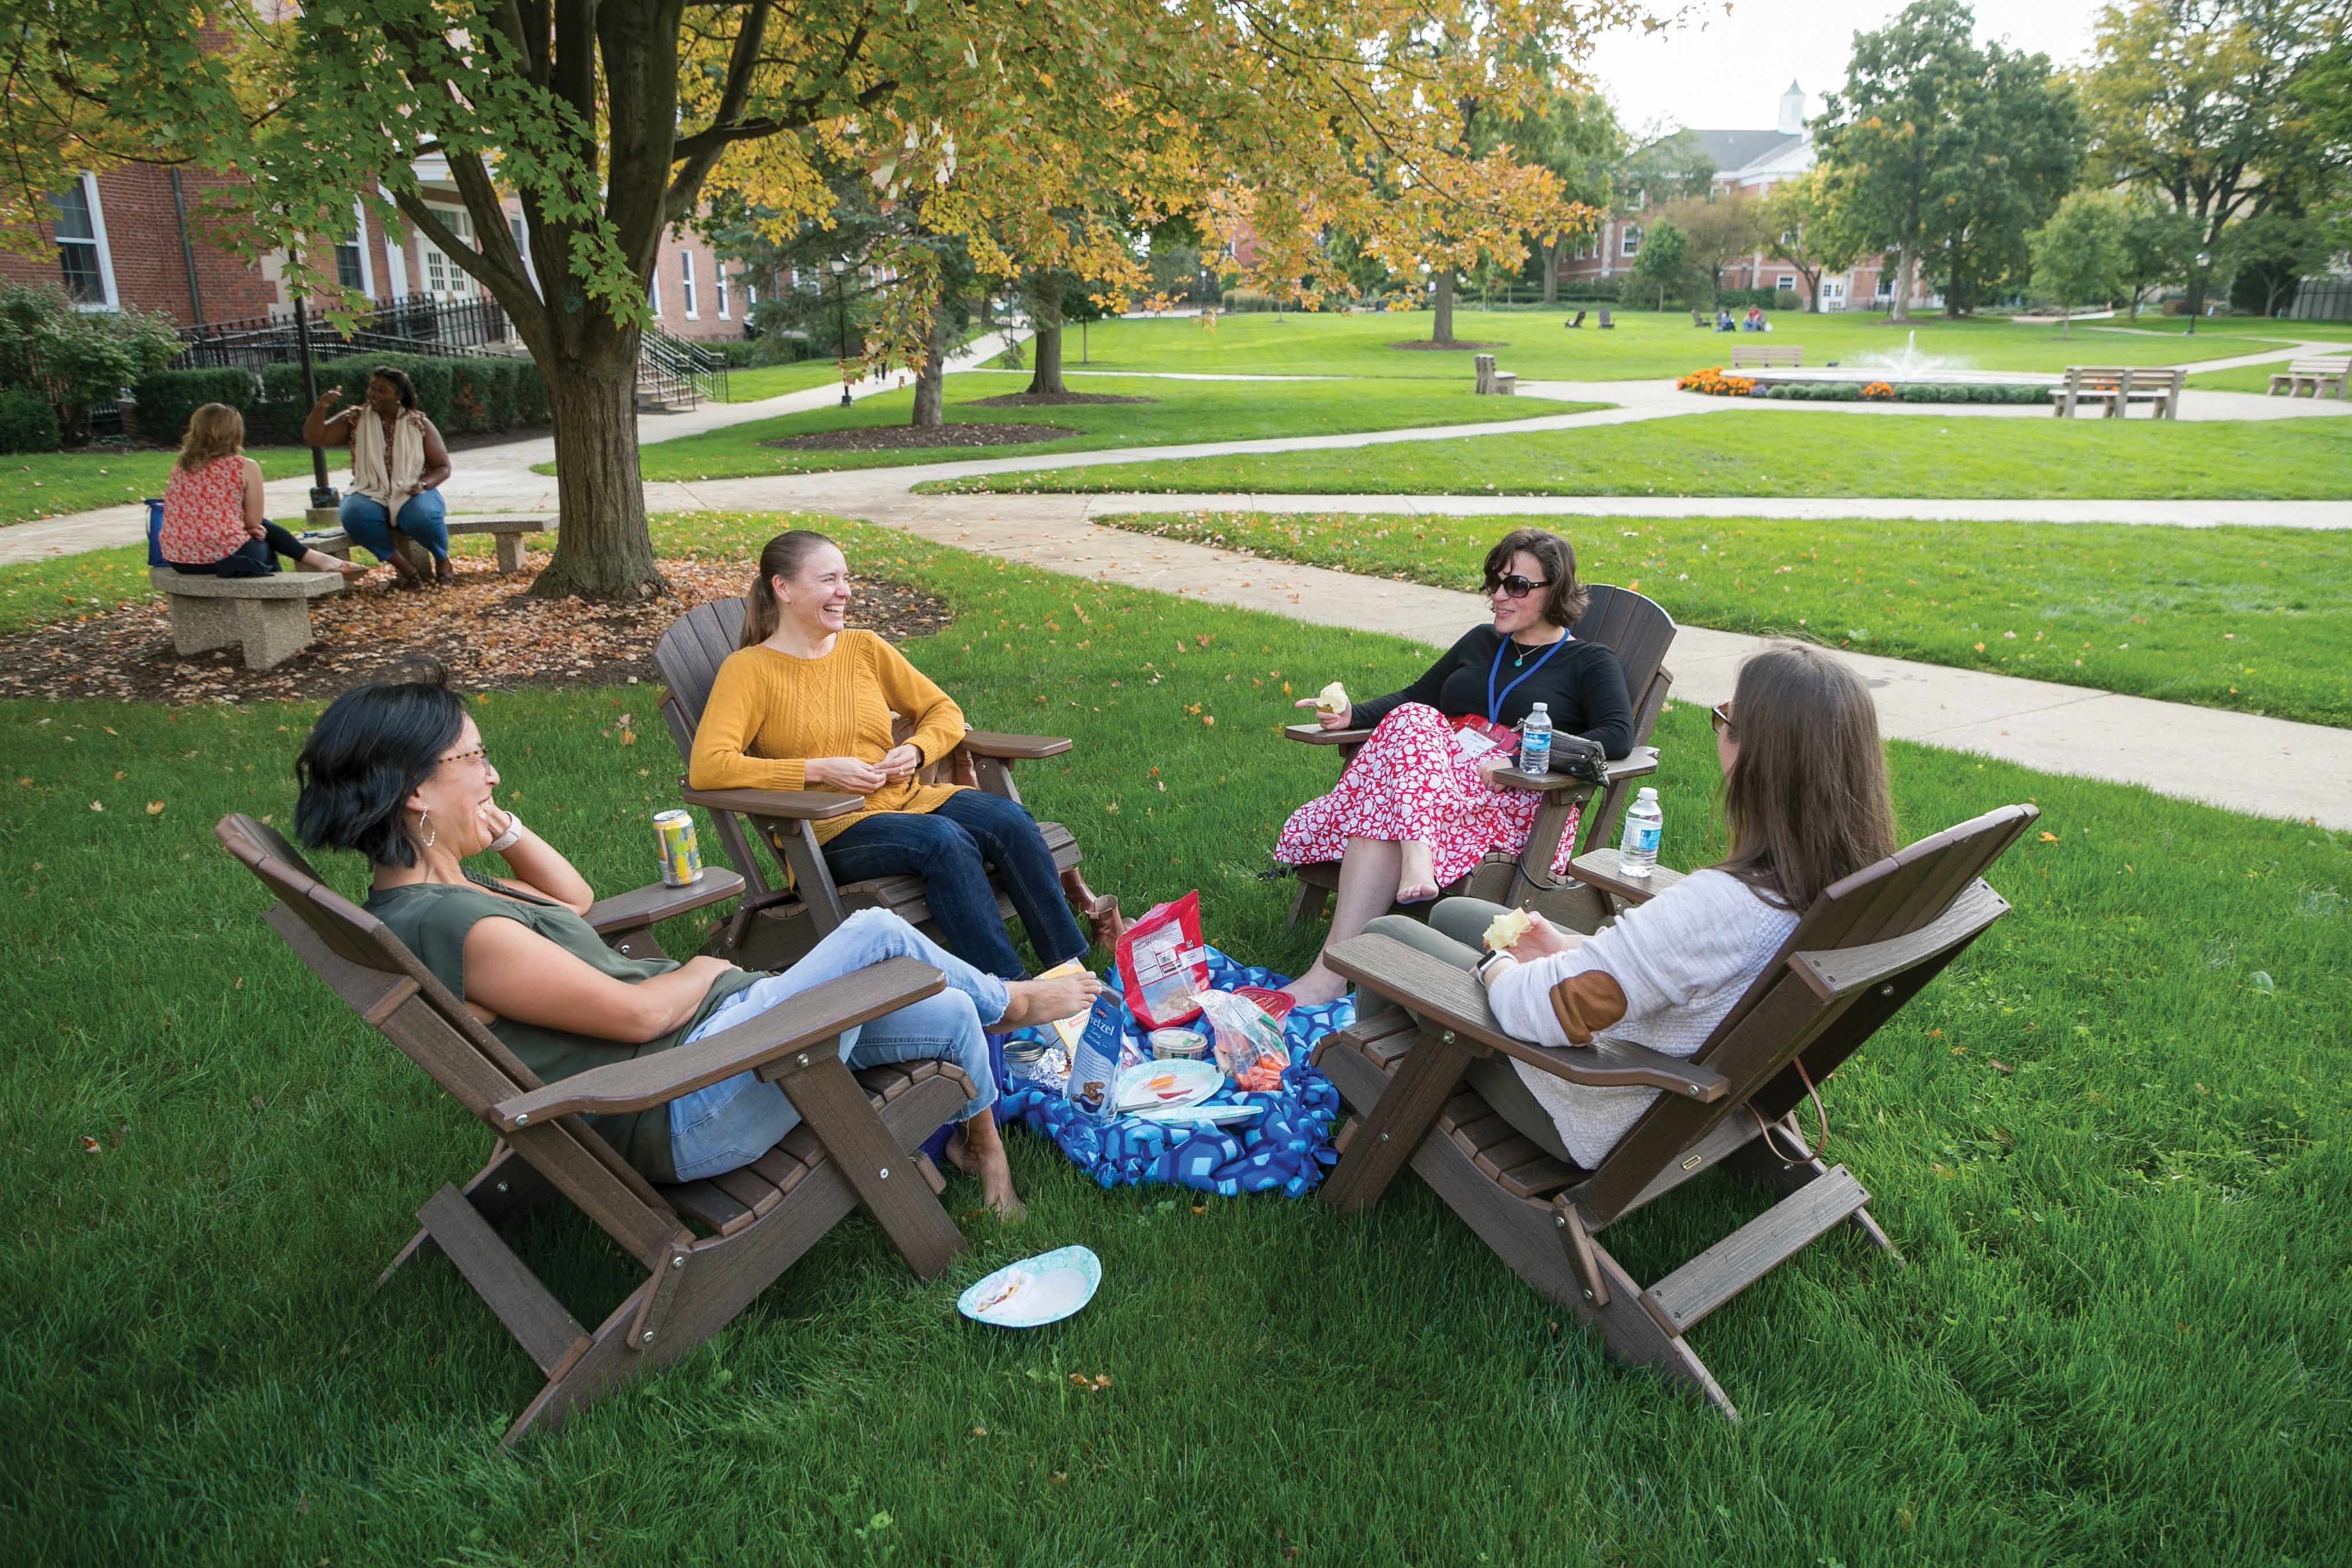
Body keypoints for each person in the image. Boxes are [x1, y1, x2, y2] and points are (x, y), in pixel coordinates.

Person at [293, 670, 1101, 1218]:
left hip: (706, 1054)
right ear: (412, 793)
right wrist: (712, 966)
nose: (494, 775)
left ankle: (981, 1149)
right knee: (875, 935)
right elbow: (638, 1016)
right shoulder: (451, 924)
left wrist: (502, 831)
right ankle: (1018, 1003)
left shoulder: (450, 896)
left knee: (946, 1003)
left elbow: (573, 902)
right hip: (686, 1100)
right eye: (473, 759)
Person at [1362, 643, 1898, 1169]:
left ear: (1759, 753)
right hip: (1673, 1073)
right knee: (1455, 916)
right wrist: (1571, 949)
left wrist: (1496, 966)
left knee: (1387, 939)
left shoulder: (1721, 904)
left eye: (1726, 717)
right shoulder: (1842, 885)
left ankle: (1378, 1119)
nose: (1720, 730)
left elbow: (1553, 1012)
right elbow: (1681, 970)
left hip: (1589, 1102)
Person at [687, 530, 1093, 982]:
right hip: (826, 830)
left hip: (908, 799)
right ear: (783, 588)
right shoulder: (748, 670)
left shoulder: (864, 648)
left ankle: (1071, 975)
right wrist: (820, 771)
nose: (844, 591)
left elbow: (943, 711)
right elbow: (709, 767)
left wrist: (916, 752)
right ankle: (1007, 997)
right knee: (943, 841)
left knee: (1011, 821)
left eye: (845, 578)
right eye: (828, 580)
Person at [1276, 527, 1633, 1005]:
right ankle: (1343, 960)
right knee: (1415, 720)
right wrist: (1351, 716)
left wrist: (1521, 755)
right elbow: (1414, 697)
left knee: (1406, 749)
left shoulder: (1589, 662)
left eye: (1518, 586)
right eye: (1497, 581)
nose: (1500, 596)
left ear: (1556, 592)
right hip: (1433, 794)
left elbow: (1617, 736)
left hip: (1514, 800)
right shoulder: (1481, 642)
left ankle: (1329, 975)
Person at [155, 403, 370, 581]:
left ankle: (323, 561)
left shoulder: (181, 466)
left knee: (263, 530)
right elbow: (253, 522)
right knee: (266, 543)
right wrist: (250, 530)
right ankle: (295, 593)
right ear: (236, 432)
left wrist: (246, 528)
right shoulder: (244, 466)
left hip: (179, 559)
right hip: (222, 556)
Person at [301, 367, 454, 589]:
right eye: (372, 388)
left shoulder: (419, 424)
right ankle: (406, 569)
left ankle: (442, 561)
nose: (373, 394)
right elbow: (315, 437)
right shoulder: (354, 419)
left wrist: (423, 485)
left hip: (412, 489)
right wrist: (322, 406)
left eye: (382, 390)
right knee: (355, 515)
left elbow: (443, 467)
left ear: (398, 396)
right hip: (368, 490)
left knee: (423, 516)